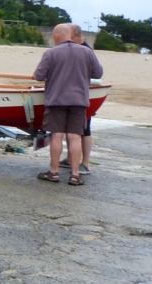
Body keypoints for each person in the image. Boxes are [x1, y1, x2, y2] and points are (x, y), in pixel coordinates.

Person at [33, 23, 104, 186]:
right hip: (79, 101)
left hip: (56, 100)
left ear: (57, 36)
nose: (53, 38)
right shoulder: (87, 51)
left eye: (53, 36)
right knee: (75, 137)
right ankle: (75, 174)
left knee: (56, 135)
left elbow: (38, 76)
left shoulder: (51, 53)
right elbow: (98, 73)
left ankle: (54, 172)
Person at [60, 24, 95, 175]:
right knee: (72, 130)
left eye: (69, 35)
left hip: (82, 95)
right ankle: (69, 159)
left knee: (84, 130)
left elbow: (96, 73)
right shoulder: (78, 48)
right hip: (75, 94)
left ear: (76, 36)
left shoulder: (86, 50)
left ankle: (85, 163)